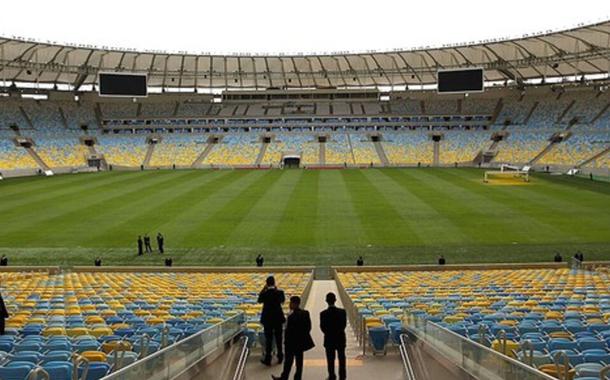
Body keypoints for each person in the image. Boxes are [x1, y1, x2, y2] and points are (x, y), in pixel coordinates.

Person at [272, 296, 314, 380]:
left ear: (295, 304)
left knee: (288, 362)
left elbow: (288, 330)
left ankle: (284, 377)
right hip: (300, 342)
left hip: (290, 342)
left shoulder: (290, 316)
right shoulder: (305, 313)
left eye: (290, 303)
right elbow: (308, 327)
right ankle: (297, 377)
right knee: (299, 362)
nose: (289, 305)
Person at [258, 276, 286, 366]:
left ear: (266, 283)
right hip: (278, 318)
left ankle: (268, 359)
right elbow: (282, 301)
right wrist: (276, 289)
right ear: (274, 283)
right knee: (279, 338)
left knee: (268, 340)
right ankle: (280, 357)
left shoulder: (265, 294)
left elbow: (259, 300)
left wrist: (263, 289)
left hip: (267, 319)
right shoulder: (279, 292)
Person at [320, 292, 347, 380]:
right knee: (342, 358)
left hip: (329, 339)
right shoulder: (342, 312)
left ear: (326, 301)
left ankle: (332, 376)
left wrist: (329, 333)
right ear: (335, 300)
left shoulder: (323, 314)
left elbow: (323, 327)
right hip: (340, 338)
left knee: (330, 359)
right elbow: (344, 325)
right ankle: (342, 376)